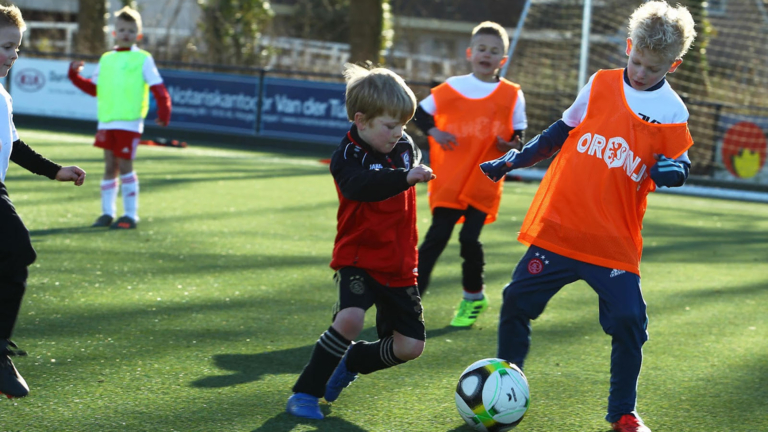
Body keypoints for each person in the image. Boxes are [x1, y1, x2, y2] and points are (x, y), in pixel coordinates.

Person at [480, 2, 696, 431]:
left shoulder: (674, 112)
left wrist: (675, 172)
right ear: (629, 46)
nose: (639, 72)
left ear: (674, 64)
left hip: (612, 241)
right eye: (635, 61)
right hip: (561, 227)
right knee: (515, 301)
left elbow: (680, 164)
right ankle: (503, 387)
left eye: (652, 68)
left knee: (630, 321)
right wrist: (512, 161)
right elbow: (558, 133)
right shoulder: (599, 84)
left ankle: (623, 413)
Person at [285, 63, 435, 420]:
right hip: (359, 257)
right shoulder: (348, 156)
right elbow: (361, 187)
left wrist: (410, 170)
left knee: (410, 346)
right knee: (350, 319)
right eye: (390, 125)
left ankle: (352, 359)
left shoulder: (404, 147)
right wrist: (405, 177)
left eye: (403, 124)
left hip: (399, 262)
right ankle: (305, 393)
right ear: (360, 120)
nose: (399, 133)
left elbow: (404, 164)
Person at [411, 21, 527, 327]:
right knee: (435, 238)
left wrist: (511, 144)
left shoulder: (512, 94)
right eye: (481, 49)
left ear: (503, 59)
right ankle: (409, 301)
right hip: (448, 179)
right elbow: (418, 112)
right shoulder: (451, 88)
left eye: (494, 51)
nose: (486, 55)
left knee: (468, 239)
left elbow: (519, 137)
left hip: (483, 181)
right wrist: (435, 130)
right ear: (470, 53)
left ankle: (473, 298)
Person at [0, 5, 87, 398]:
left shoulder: (2, 97)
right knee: (17, 250)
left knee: (17, 253)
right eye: (4, 47)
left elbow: (13, 145)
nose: (12, 56)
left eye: (16, 49)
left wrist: (56, 171)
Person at [68, 5, 171, 230]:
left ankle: (130, 215)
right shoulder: (107, 59)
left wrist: (164, 111)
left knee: (125, 165)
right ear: (114, 33)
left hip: (130, 121)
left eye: (131, 31)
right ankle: (107, 213)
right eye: (122, 29)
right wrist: (74, 76)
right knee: (109, 166)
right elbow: (94, 88)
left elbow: (158, 88)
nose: (126, 34)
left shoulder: (143, 59)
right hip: (107, 120)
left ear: (138, 35)